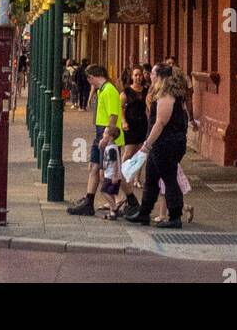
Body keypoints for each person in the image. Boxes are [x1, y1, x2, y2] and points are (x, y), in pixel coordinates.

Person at [66, 63, 137, 218]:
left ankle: (131, 201)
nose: (89, 82)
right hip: (102, 134)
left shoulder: (109, 90)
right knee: (93, 166)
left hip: (109, 136)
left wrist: (107, 137)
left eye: (89, 79)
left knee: (114, 173)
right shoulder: (102, 90)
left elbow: (113, 115)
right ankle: (89, 201)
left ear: (92, 77)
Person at [128, 64, 190, 230]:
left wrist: (146, 145)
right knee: (151, 179)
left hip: (166, 144)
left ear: (160, 76)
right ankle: (144, 213)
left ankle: (175, 216)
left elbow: (160, 123)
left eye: (153, 73)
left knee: (169, 179)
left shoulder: (166, 96)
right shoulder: (165, 94)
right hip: (162, 144)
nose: (150, 76)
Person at [114, 66, 149, 219]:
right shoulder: (126, 92)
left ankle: (136, 178)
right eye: (135, 75)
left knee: (141, 153)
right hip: (130, 125)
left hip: (142, 125)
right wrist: (123, 121)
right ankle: (123, 174)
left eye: (140, 75)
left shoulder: (147, 91)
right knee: (128, 152)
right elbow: (120, 108)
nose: (138, 77)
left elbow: (149, 108)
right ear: (131, 77)